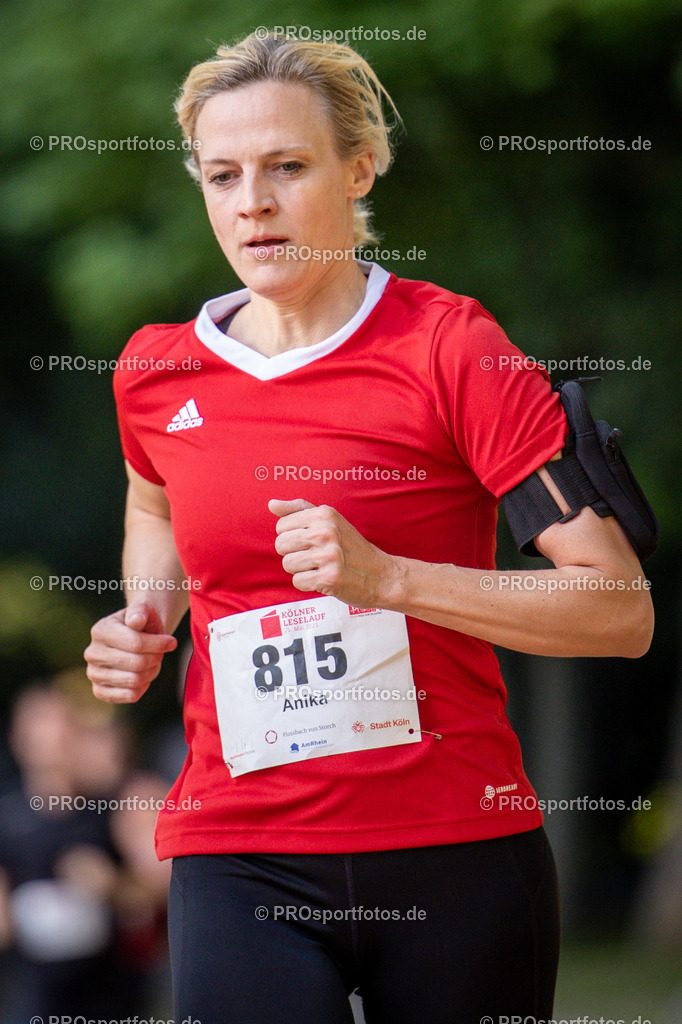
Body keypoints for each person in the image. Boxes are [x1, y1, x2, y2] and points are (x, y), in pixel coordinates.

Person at [84, 31, 654, 1024]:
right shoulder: (155, 371)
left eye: (285, 166)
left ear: (359, 169)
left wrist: (391, 579)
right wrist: (146, 609)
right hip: (240, 852)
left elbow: (617, 609)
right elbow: (152, 502)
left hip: (455, 850)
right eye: (222, 174)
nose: (251, 201)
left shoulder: (454, 349)